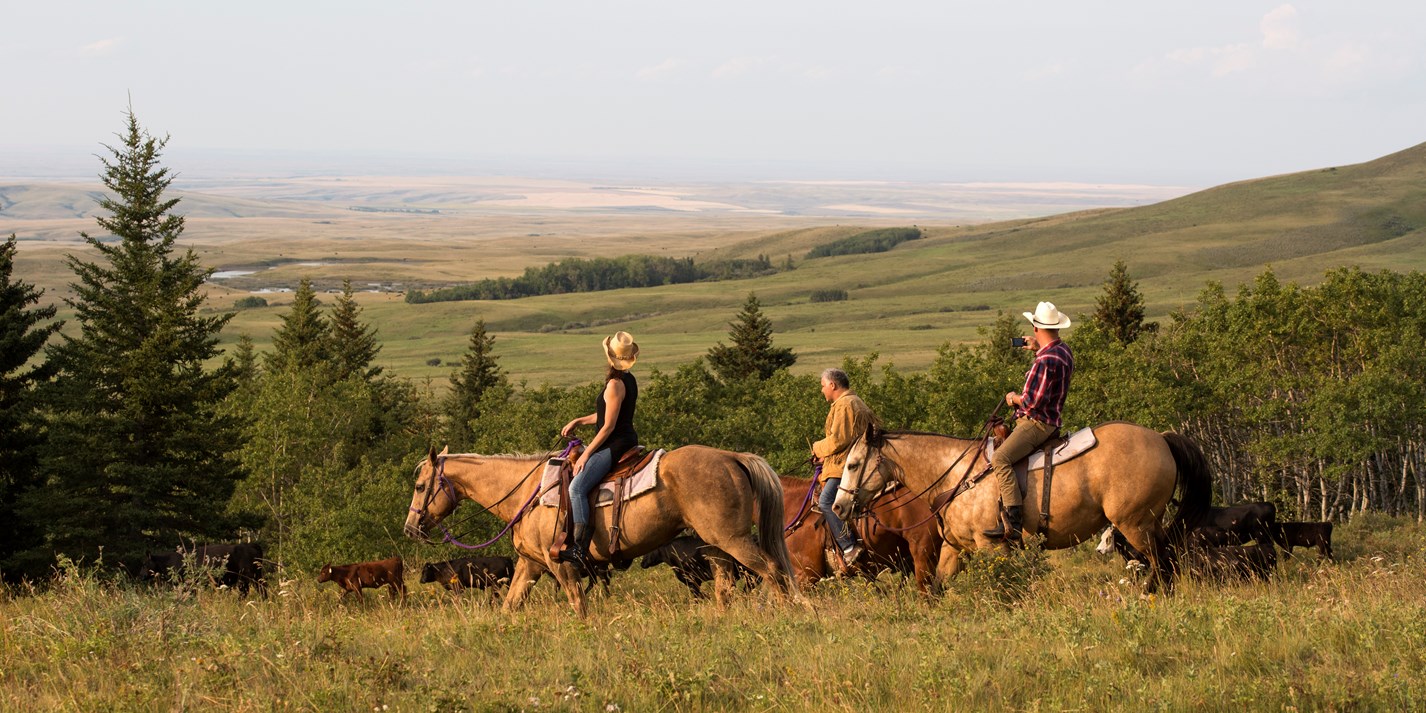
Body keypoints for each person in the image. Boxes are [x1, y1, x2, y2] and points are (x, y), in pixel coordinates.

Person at [985, 301, 1075, 540]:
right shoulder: (1062, 350)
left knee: (1000, 458)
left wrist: (1013, 398)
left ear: (1036, 327)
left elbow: (1031, 402)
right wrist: (1037, 348)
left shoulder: (1045, 361)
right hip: (1051, 420)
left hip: (1036, 423)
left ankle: (1012, 521)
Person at [558, 331, 641, 569]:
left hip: (614, 443)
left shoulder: (615, 384)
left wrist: (586, 454)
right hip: (622, 438)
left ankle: (579, 549)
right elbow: (607, 414)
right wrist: (579, 420)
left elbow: (608, 427)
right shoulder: (628, 379)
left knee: (576, 488)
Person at [812, 367, 875, 567]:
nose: (822, 390)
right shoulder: (851, 402)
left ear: (832, 385)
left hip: (846, 466)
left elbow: (839, 439)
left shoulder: (845, 404)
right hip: (844, 460)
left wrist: (817, 448)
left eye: (823, 386)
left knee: (826, 501)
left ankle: (848, 546)